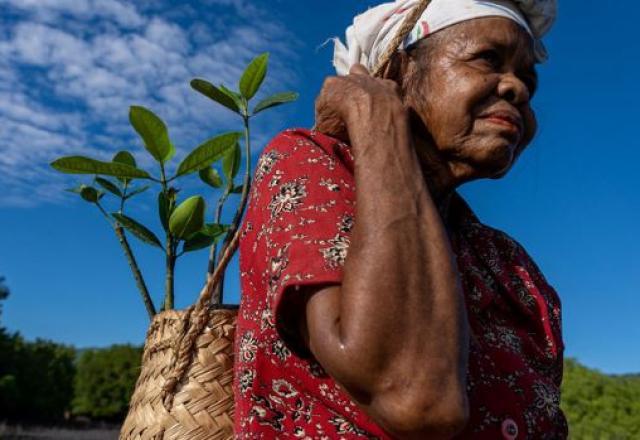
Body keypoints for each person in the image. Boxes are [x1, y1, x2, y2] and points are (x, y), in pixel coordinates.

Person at [233, 0, 567, 438]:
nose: (516, 89)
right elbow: (417, 400)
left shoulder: (509, 266)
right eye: (488, 59)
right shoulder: (310, 163)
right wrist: (378, 120)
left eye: (528, 80)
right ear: (396, 74)